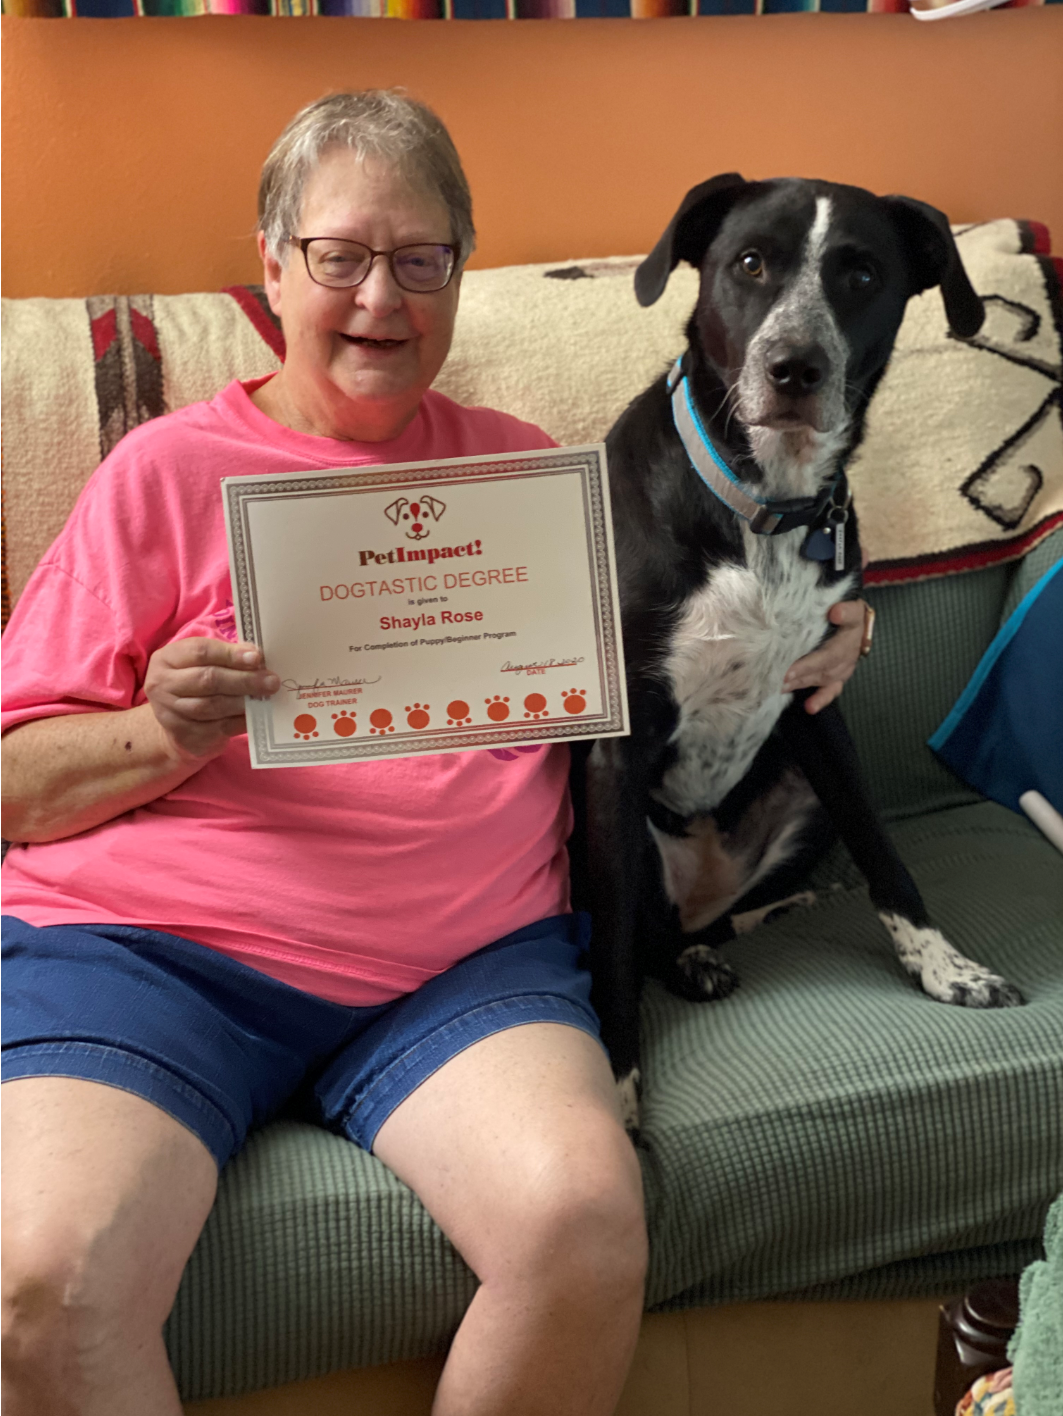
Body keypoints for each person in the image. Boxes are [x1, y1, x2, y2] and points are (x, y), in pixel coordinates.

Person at [0, 91, 869, 1416]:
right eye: (341, 256)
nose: (379, 299)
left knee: (585, 1227)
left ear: (460, 270)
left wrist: (824, 621)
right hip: (152, 954)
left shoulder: (526, 482)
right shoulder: (163, 474)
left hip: (459, 965)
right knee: (42, 1281)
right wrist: (162, 729)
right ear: (274, 262)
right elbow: (18, 785)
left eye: (421, 260)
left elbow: (669, 668)